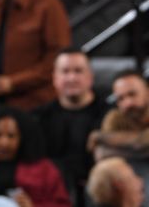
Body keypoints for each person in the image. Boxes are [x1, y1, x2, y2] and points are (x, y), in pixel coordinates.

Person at [34, 48, 110, 207]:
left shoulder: (110, 115)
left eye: (78, 71)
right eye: (65, 71)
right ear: (54, 78)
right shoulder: (37, 117)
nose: (71, 77)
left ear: (90, 77)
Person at [0, 106, 71, 207]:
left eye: (11, 136)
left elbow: (63, 204)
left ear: (22, 137)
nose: (4, 142)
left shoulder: (44, 169)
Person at [89, 71, 149, 162]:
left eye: (132, 94)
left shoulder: (101, 136)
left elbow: (145, 140)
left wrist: (101, 137)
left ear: (147, 92)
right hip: (127, 170)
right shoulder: (115, 118)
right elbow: (100, 154)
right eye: (121, 98)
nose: (128, 103)